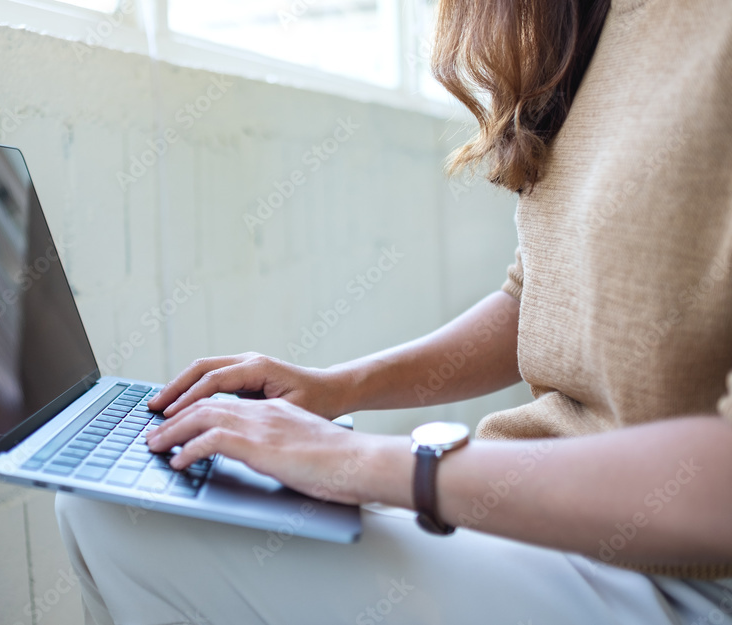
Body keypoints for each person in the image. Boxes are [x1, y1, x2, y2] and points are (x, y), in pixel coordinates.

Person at [56, 0, 732, 622]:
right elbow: (538, 296)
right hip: (545, 528)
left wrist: (372, 464)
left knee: (121, 523)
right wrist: (334, 387)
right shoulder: (596, 22)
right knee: (110, 498)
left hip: (678, 580)